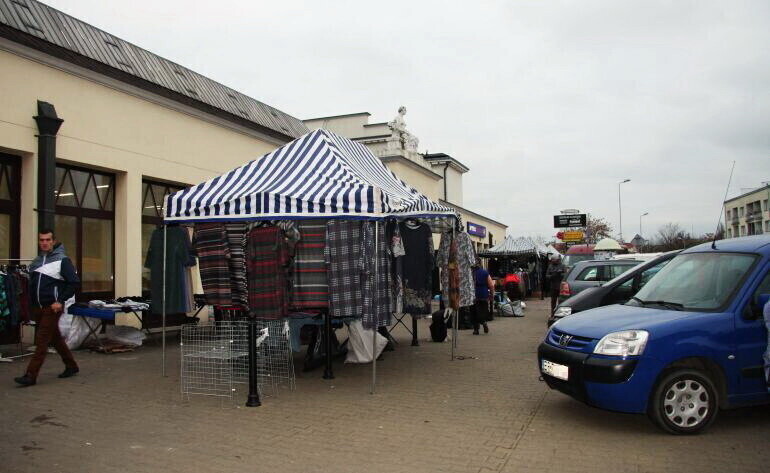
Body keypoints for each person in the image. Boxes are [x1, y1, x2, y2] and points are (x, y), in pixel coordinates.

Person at [14, 229, 80, 386]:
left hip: (52, 307)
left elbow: (74, 282)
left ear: (53, 241)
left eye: (47, 240)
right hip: (38, 307)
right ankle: (71, 366)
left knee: (41, 340)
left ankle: (31, 375)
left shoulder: (62, 261)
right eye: (41, 240)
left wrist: (60, 300)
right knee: (55, 338)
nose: (44, 242)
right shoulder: (37, 261)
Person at [472, 261, 495, 335]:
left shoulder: (472, 273)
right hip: (484, 294)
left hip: (474, 294)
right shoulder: (485, 273)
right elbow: (491, 285)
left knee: (474, 312)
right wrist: (491, 295)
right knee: (483, 310)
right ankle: (484, 322)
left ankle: (476, 330)